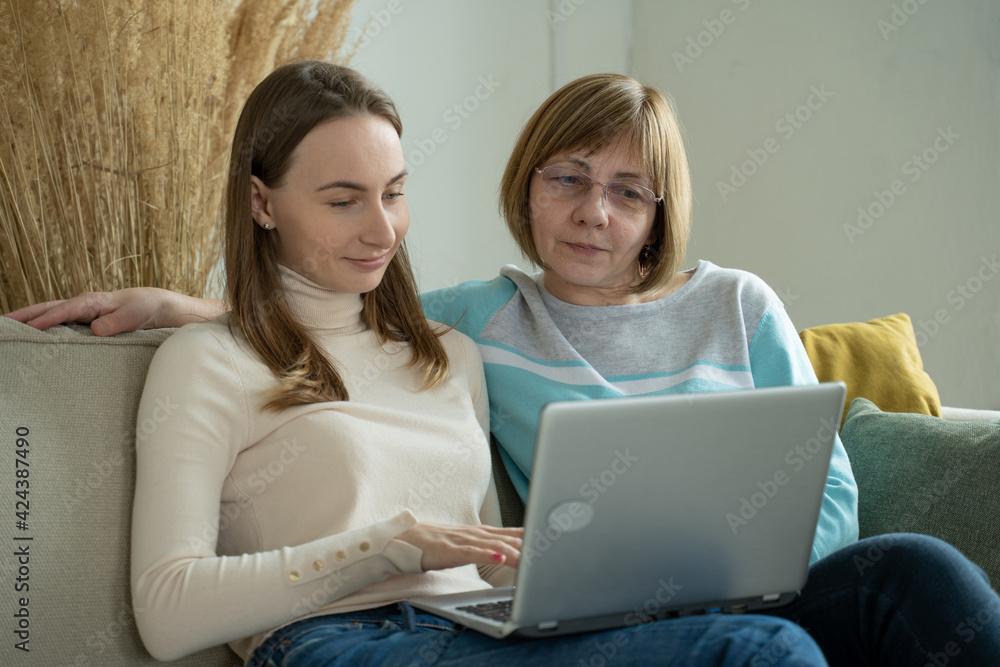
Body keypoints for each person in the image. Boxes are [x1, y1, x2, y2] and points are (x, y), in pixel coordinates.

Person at [8, 69, 1000, 666]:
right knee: (760, 656)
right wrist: (391, 545)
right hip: (344, 642)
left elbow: (474, 520)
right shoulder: (220, 359)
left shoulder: (449, 353)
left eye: (394, 193)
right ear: (264, 203)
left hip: (492, 628)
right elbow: (168, 607)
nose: (382, 228)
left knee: (909, 573)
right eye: (343, 197)